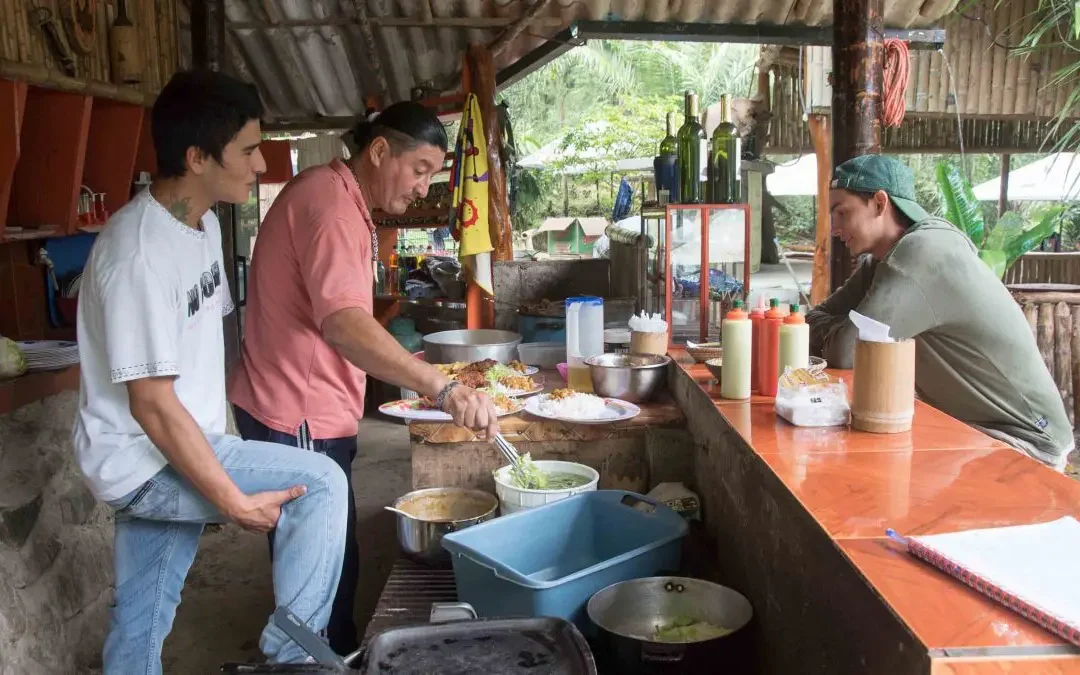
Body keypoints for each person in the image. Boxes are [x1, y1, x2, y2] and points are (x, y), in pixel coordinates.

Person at [72, 70, 348, 673]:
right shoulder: (139, 254)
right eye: (248, 151)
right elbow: (150, 403)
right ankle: (293, 661)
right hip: (145, 458)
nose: (259, 165)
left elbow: (211, 341)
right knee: (323, 483)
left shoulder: (199, 228)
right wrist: (231, 498)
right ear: (197, 157)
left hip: (178, 445)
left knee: (143, 615)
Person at [227, 102, 499, 654]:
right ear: (379, 151)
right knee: (319, 571)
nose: (424, 187)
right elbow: (345, 325)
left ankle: (329, 653)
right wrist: (441, 387)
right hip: (297, 408)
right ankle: (311, 658)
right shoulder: (331, 208)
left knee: (333, 556)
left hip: (305, 400)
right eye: (420, 168)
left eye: (433, 173)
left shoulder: (337, 196)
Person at [807, 154, 1073, 471]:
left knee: (863, 475)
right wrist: (846, 328)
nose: (834, 228)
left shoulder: (923, 252)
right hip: (968, 430)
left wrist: (845, 329)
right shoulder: (879, 263)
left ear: (879, 203)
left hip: (1026, 442)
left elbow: (844, 352)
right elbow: (811, 321)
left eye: (841, 212)